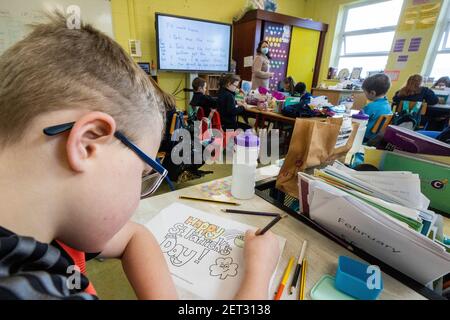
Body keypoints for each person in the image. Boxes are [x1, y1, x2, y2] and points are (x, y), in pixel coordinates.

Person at [0, 11, 280, 300]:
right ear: (87, 144)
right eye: (142, 175)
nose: (137, 199)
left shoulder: (45, 223)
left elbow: (134, 236)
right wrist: (258, 271)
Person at [361, 74, 393, 141]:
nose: (365, 94)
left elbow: (358, 121)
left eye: (365, 92)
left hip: (364, 137)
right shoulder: (388, 105)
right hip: (377, 138)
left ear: (372, 93)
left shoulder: (370, 106)